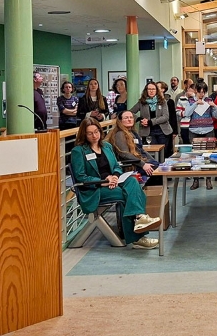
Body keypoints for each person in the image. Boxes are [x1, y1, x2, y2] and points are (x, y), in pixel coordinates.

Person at [71, 118, 160, 250]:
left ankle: (140, 219)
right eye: (90, 133)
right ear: (84, 134)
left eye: (96, 132)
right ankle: (138, 236)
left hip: (113, 182)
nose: (94, 136)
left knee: (132, 181)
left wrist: (115, 177)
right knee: (125, 195)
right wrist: (103, 182)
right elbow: (80, 176)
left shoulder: (106, 146)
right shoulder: (79, 151)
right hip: (94, 189)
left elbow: (117, 167)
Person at [106, 110, 161, 185]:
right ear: (120, 121)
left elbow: (142, 150)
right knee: (157, 171)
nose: (129, 119)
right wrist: (143, 164)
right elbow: (125, 154)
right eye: (126, 118)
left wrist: (152, 160)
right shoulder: (120, 134)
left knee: (160, 166)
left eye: (131, 117)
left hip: (140, 160)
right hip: (131, 165)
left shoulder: (133, 132)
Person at [184, 80, 217, 190]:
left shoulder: (209, 100)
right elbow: (187, 114)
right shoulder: (190, 101)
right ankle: (196, 180)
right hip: (194, 131)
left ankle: (208, 180)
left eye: (203, 92)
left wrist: (214, 106)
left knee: (208, 155)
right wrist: (195, 104)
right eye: (199, 92)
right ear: (195, 91)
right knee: (195, 156)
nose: (202, 94)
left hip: (208, 130)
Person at [129, 81, 173, 147]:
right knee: (151, 153)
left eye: (153, 89)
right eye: (149, 89)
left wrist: (151, 122)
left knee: (164, 153)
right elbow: (130, 113)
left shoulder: (162, 101)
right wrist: (139, 119)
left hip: (163, 131)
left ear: (156, 90)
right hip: (148, 132)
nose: (151, 91)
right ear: (146, 90)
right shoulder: (141, 102)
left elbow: (165, 117)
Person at [157, 80, 178, 157]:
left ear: (163, 89)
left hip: (168, 127)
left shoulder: (170, 101)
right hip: (157, 127)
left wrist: (175, 131)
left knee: (167, 150)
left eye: (158, 87)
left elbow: (173, 116)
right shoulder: (153, 101)